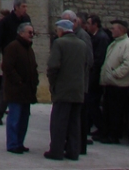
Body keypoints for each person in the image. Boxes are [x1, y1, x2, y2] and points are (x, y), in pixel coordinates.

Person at [45, 19, 88, 161]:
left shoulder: (59, 43)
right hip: (78, 89)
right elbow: (88, 63)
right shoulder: (82, 44)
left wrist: (53, 84)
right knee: (74, 123)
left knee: (59, 122)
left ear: (61, 30)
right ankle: (73, 152)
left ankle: (56, 151)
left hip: (63, 89)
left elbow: (53, 66)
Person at [93, 19, 129, 145]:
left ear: (121, 30)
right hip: (110, 83)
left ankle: (114, 135)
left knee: (115, 111)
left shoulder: (127, 44)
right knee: (108, 110)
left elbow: (128, 64)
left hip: (118, 85)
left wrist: (115, 74)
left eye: (114, 28)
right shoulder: (115, 43)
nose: (111, 30)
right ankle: (106, 133)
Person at [0, 0, 31, 124]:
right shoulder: (6, 21)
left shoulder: (26, 20)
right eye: (23, 6)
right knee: (6, 86)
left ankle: (22, 110)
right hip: (10, 57)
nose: (25, 9)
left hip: (23, 57)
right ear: (16, 7)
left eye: (26, 6)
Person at [2, 22, 38, 154]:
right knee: (14, 118)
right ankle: (12, 144)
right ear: (21, 33)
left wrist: (35, 81)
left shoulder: (29, 49)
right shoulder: (13, 47)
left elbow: (33, 67)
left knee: (24, 119)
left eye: (32, 32)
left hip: (27, 91)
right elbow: (7, 67)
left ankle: (19, 142)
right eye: (29, 32)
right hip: (16, 90)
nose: (31, 35)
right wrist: (18, 81)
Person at [62, 9, 93, 154]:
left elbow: (89, 60)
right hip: (74, 84)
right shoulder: (73, 35)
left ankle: (79, 147)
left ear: (76, 22)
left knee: (79, 118)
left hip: (80, 85)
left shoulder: (83, 37)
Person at [85, 13, 110, 135]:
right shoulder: (95, 37)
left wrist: (93, 76)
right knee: (90, 103)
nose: (87, 26)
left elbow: (99, 59)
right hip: (93, 75)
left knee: (93, 103)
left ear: (95, 25)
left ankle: (102, 128)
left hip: (96, 76)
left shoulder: (101, 38)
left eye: (89, 24)